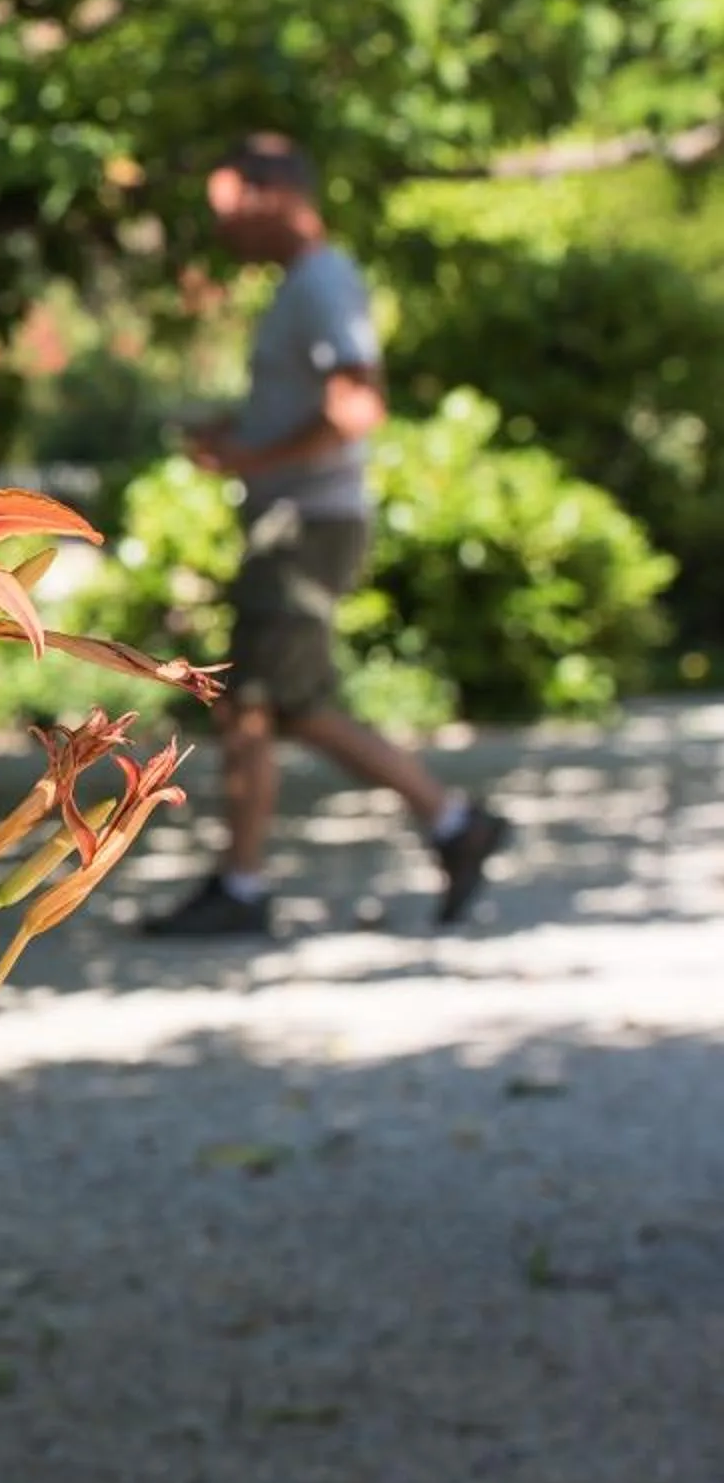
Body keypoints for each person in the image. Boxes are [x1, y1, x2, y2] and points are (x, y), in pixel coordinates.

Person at [143, 134, 507, 938]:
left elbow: (356, 408)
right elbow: (313, 403)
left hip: (307, 524)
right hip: (294, 520)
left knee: (258, 700)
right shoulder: (301, 287)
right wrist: (236, 430)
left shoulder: (323, 283)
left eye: (228, 210)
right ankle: (445, 825)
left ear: (272, 194)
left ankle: (254, 882)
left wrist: (253, 455)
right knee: (271, 701)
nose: (225, 231)